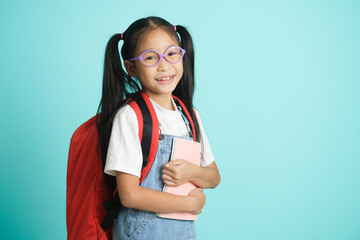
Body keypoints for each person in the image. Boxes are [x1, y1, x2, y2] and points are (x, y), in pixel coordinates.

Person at [96, 16, 220, 240]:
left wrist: (193, 172)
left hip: (183, 233)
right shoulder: (130, 117)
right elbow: (129, 195)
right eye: (150, 58)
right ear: (131, 68)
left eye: (172, 53)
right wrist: (188, 203)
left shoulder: (190, 116)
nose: (164, 65)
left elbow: (213, 177)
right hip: (141, 233)